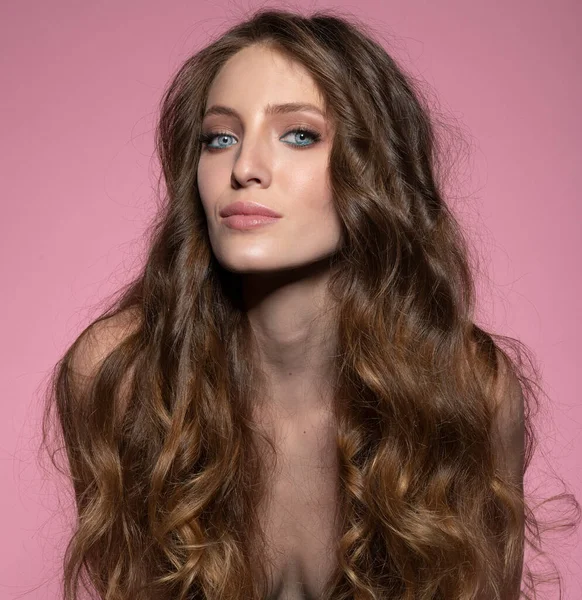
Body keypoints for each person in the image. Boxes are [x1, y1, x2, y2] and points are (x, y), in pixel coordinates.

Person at [41, 8, 577, 600]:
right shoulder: (121, 375)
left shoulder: (469, 387)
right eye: (220, 138)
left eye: (298, 134)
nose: (243, 168)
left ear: (375, 168)